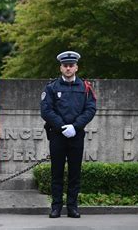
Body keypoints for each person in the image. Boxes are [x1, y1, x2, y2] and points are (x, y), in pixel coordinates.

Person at [40, 51, 96, 219]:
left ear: (76, 67)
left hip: (76, 135)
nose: (68, 68)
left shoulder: (85, 87)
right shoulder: (52, 87)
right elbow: (46, 110)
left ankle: (72, 207)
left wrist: (75, 126)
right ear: (61, 68)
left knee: (74, 173)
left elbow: (90, 109)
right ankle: (56, 207)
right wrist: (62, 126)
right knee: (56, 172)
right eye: (65, 66)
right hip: (57, 135)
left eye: (71, 65)